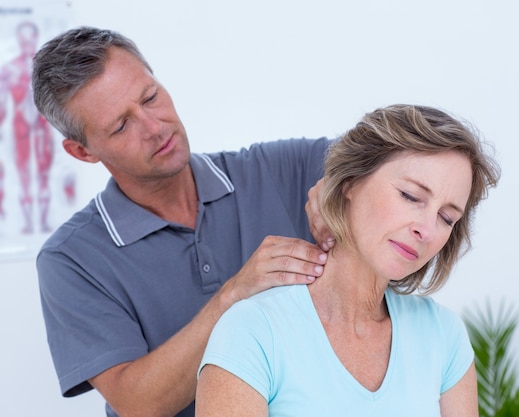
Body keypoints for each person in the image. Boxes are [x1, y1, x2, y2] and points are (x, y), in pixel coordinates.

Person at [32, 26, 335, 417]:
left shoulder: (278, 170)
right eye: (121, 126)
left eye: (150, 97)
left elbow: (401, 152)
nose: (155, 127)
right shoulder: (71, 259)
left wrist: (349, 179)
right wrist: (233, 296)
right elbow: (137, 404)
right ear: (82, 152)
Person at [196, 104, 501, 417]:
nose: (425, 229)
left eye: (446, 217)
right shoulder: (252, 330)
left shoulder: (443, 335)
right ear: (350, 182)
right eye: (410, 196)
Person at [0, 20, 54, 232]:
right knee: (23, 176)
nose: (27, 44)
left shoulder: (48, 69)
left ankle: (43, 223)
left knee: (43, 176)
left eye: (30, 39)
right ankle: (28, 223)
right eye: (23, 39)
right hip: (20, 128)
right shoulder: (9, 69)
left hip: (42, 127)